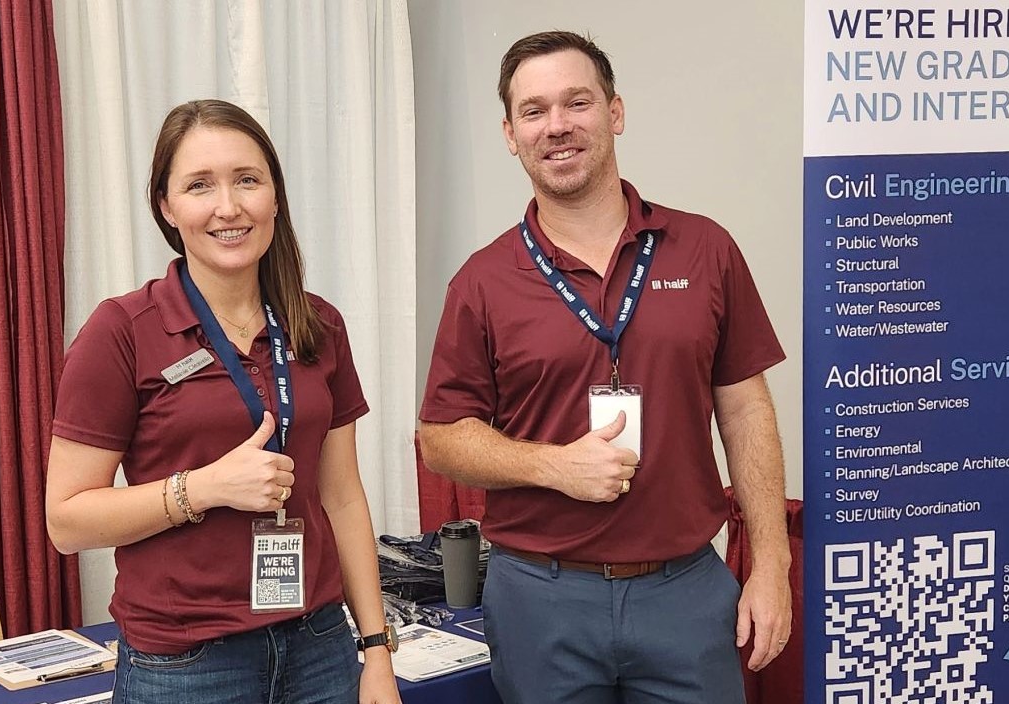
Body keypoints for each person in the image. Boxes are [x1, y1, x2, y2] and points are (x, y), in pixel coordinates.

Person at [419, 31, 792, 704]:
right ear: (510, 134)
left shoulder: (705, 249)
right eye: (534, 111)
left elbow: (745, 409)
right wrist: (552, 466)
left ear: (615, 112)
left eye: (577, 102)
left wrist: (771, 563)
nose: (556, 125)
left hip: (685, 593)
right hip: (541, 600)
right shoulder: (482, 282)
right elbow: (442, 439)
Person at [46, 100, 400, 704]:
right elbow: (67, 521)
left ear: (275, 196)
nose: (228, 206)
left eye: (247, 180)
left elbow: (342, 496)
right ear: (167, 206)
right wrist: (203, 488)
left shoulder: (317, 325)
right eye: (199, 185)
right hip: (187, 665)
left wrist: (376, 649)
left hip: (319, 647)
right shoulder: (121, 331)